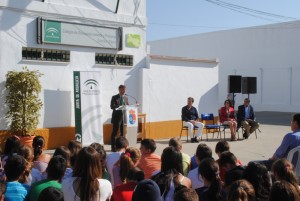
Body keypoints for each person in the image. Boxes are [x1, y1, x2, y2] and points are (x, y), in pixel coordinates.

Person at [110, 84, 129, 151]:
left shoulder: (126, 97)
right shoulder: (114, 97)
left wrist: (132, 106)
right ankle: (113, 147)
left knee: (123, 133)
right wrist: (119, 106)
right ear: (119, 89)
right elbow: (112, 106)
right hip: (116, 118)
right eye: (122, 89)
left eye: (124, 89)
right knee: (114, 133)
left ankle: (121, 147)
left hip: (124, 117)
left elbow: (127, 106)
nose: (123, 91)